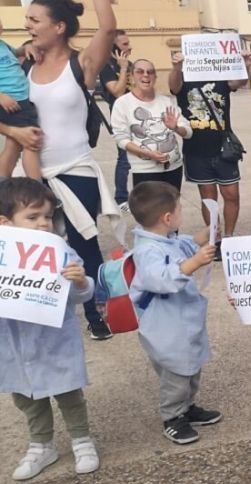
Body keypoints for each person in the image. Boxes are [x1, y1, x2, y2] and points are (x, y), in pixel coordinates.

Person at [15, 0, 120, 341]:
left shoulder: (81, 63)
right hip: (34, 170)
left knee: (83, 244)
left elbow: (107, 29)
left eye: (35, 20)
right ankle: (41, 310)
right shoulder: (25, 64)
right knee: (36, 245)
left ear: (59, 27)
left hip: (76, 170)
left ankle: (97, 312)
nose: (28, 25)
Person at [1, 178, 100, 480]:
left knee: (69, 394)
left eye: (47, 216)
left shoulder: (59, 250)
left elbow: (82, 294)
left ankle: (81, 439)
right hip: (13, 344)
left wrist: (80, 281)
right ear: (5, 223)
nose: (43, 223)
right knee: (27, 398)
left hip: (54, 341)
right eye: (32, 217)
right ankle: (41, 444)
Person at [128, 181, 221, 445]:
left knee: (190, 368)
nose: (182, 212)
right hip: (166, 327)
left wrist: (209, 232)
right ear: (167, 218)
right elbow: (159, 279)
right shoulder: (147, 251)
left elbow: (187, 244)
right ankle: (172, 416)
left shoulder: (167, 239)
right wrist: (194, 263)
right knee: (176, 374)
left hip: (182, 321)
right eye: (180, 209)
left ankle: (187, 407)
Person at [168, 49, 251, 261]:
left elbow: (239, 82)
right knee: (208, 198)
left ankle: (229, 237)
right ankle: (215, 238)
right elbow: (173, 86)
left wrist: (245, 65)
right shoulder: (184, 77)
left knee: (232, 195)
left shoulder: (220, 76)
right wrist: (177, 67)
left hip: (223, 148)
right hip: (196, 150)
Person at [111, 59, 191, 191]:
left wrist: (176, 128)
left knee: (172, 204)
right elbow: (121, 140)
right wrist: (148, 154)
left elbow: (188, 132)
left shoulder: (166, 101)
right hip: (143, 171)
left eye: (150, 72)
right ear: (131, 76)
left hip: (173, 169)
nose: (146, 75)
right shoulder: (122, 104)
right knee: (148, 204)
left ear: (155, 77)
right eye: (140, 71)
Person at [0, 19, 41, 180]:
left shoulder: (3, 44)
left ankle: (3, 185)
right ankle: (37, 186)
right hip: (11, 101)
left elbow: (17, 52)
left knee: (14, 144)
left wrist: (26, 48)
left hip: (19, 99)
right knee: (31, 142)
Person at [98, 29, 131, 206]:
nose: (129, 47)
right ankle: (121, 198)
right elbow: (117, 92)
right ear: (113, 47)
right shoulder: (107, 67)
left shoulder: (130, 64)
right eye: (125, 44)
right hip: (121, 119)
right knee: (125, 159)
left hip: (137, 117)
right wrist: (123, 68)